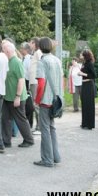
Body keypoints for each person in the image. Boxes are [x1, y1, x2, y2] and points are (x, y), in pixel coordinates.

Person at [33, 37, 62, 168]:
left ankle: (47, 159)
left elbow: (41, 84)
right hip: (56, 100)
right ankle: (56, 156)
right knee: (52, 128)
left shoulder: (42, 62)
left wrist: (37, 100)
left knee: (44, 129)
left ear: (39, 47)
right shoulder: (57, 60)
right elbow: (61, 79)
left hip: (45, 100)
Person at [1, 41, 34, 148]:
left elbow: (21, 80)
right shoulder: (8, 61)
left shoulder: (16, 62)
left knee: (20, 119)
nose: (2, 52)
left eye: (3, 50)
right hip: (7, 96)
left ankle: (29, 140)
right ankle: (6, 140)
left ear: (8, 51)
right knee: (5, 118)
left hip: (16, 97)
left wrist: (18, 96)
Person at [78, 50, 96, 130]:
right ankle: (84, 123)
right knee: (84, 104)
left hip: (89, 85)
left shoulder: (89, 63)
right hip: (84, 84)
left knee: (89, 104)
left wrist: (82, 74)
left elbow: (93, 75)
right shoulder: (84, 64)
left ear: (85, 55)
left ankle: (90, 124)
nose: (80, 56)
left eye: (81, 54)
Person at [28, 37, 42, 135]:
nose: (29, 44)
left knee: (36, 104)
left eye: (30, 42)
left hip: (35, 82)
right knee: (34, 104)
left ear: (34, 43)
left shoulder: (38, 53)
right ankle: (38, 126)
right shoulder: (34, 53)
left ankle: (39, 126)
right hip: (32, 81)